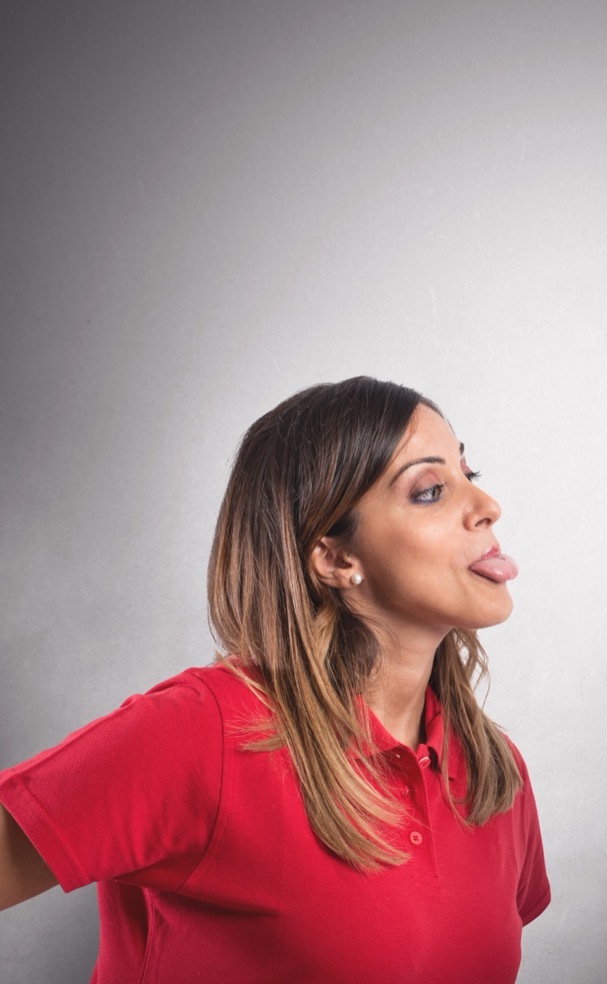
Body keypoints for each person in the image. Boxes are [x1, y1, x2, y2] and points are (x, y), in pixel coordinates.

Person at [0, 376, 550, 983]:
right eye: (429, 491)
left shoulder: (498, 774)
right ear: (337, 558)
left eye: (470, 476)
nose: (487, 505)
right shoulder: (204, 734)